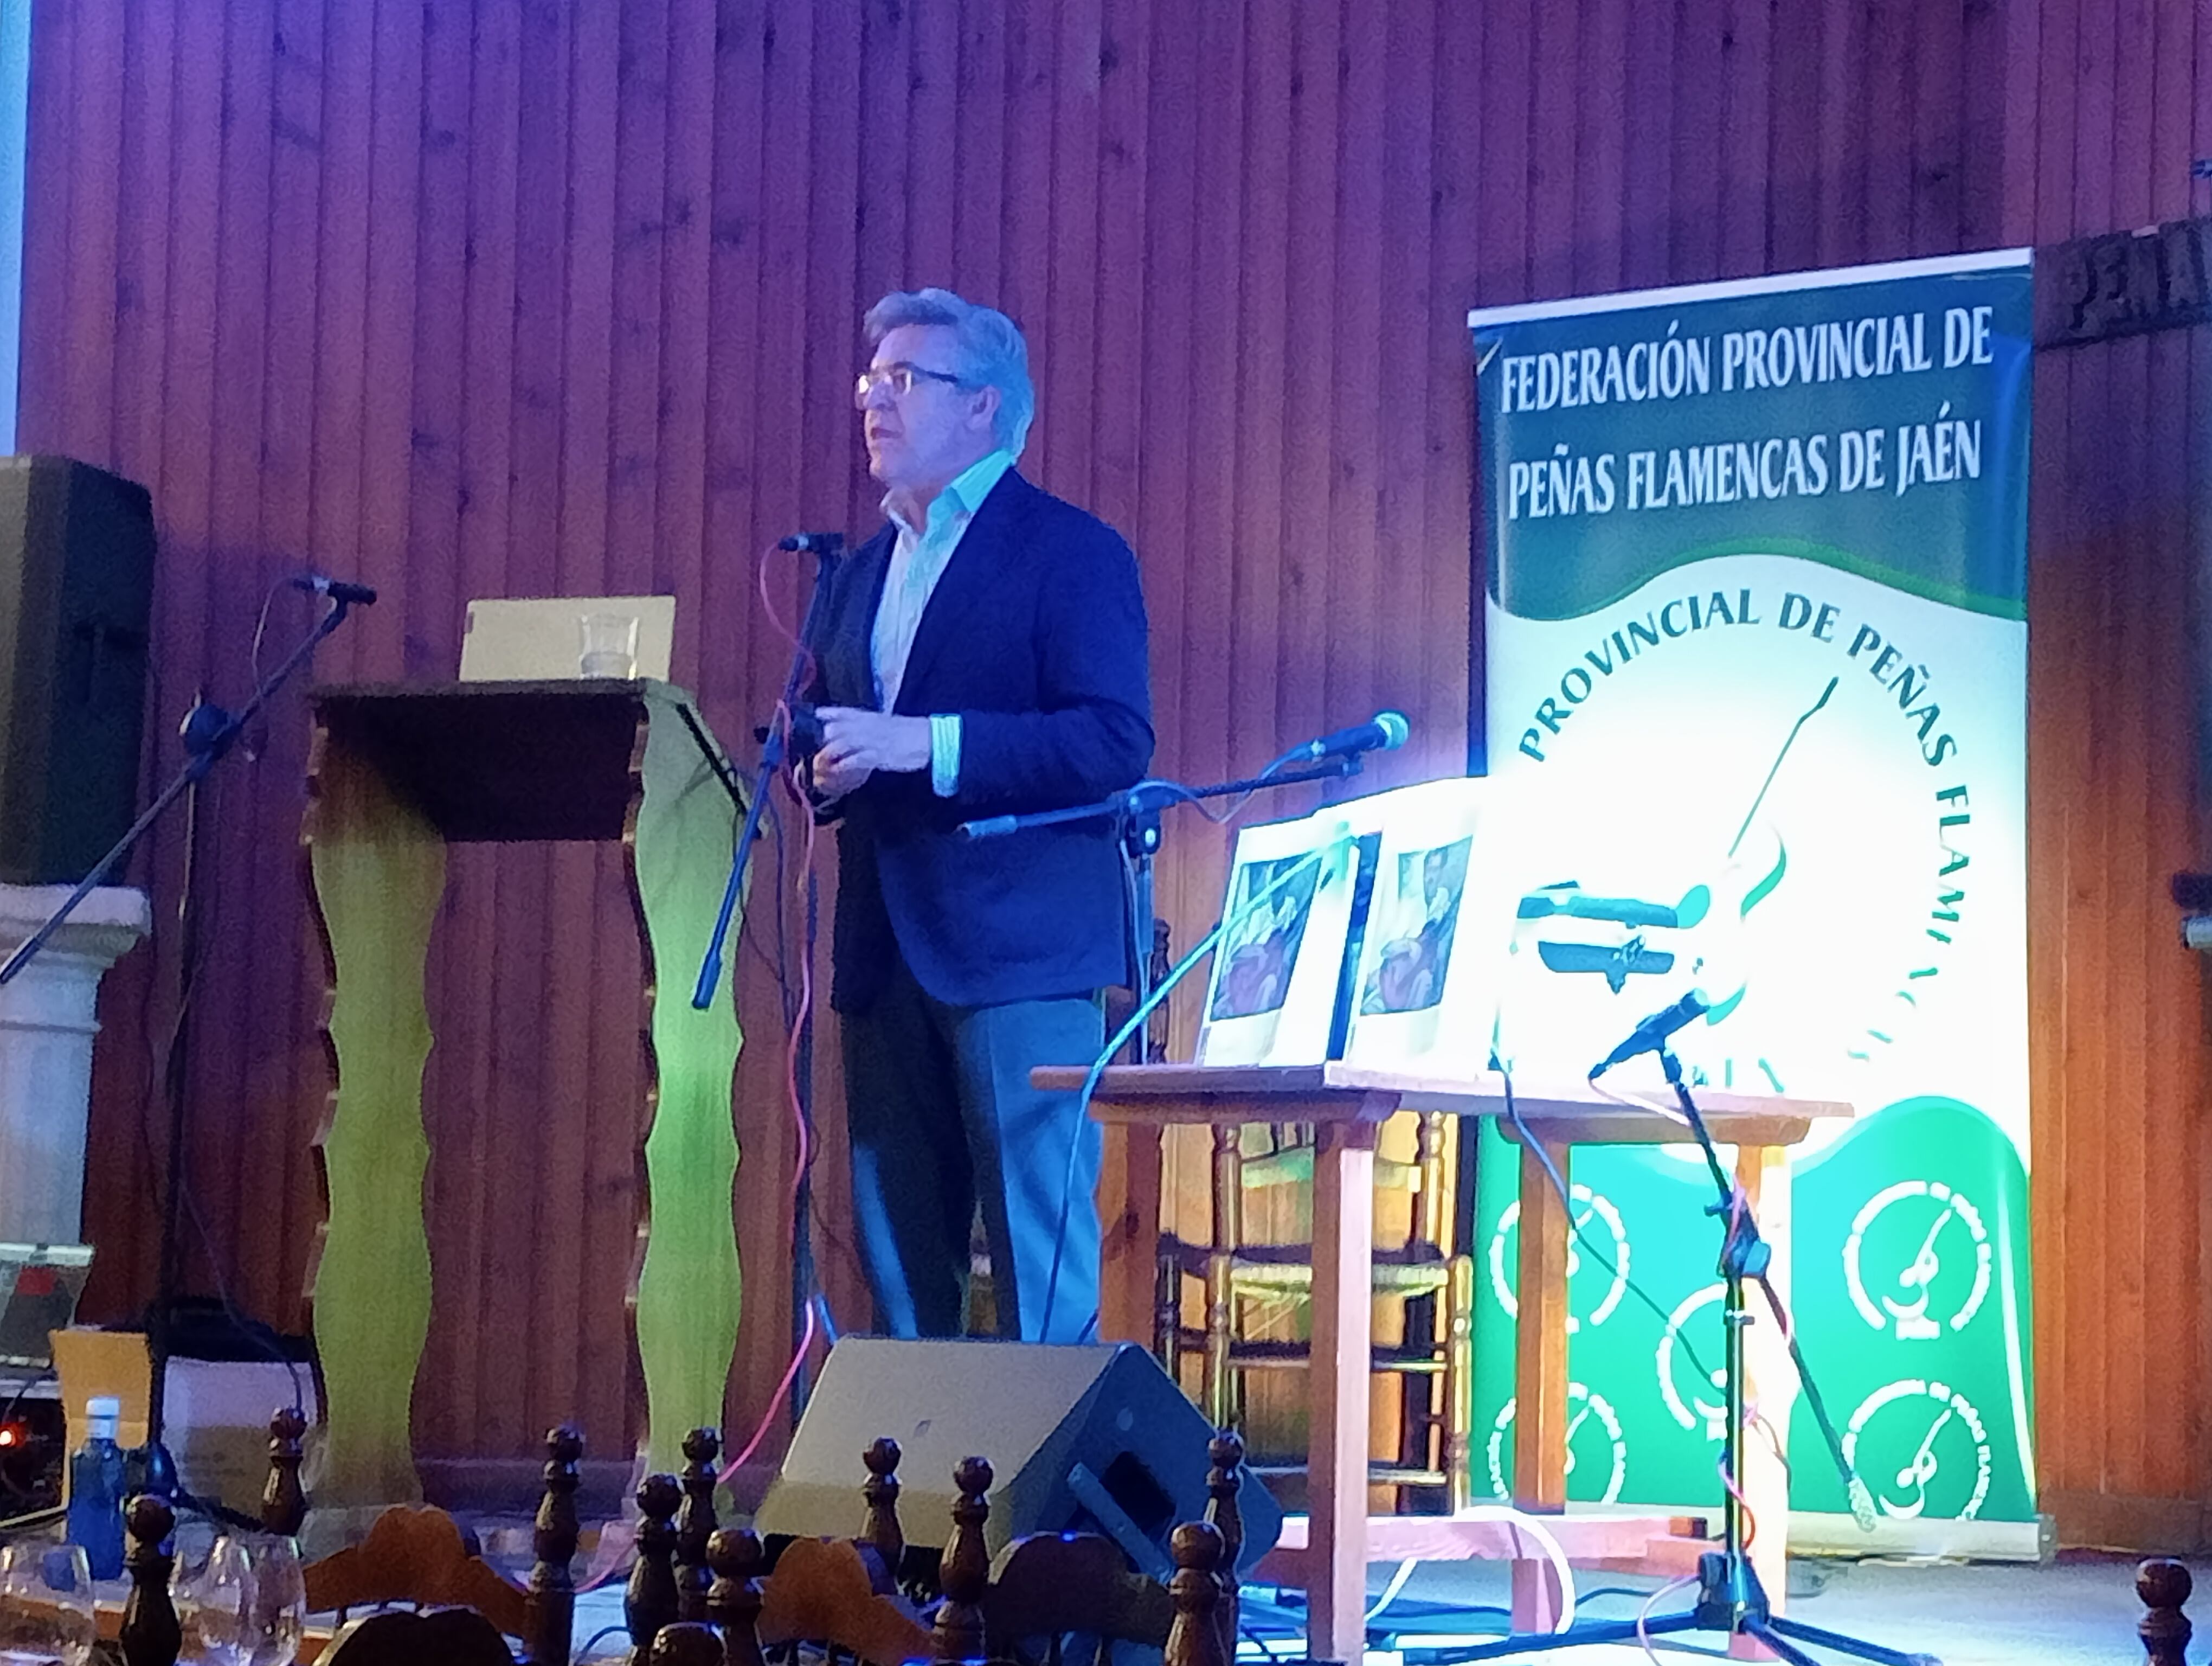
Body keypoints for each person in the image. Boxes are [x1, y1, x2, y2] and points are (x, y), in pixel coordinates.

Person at [801, 287, 1153, 1343]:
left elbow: (1112, 742)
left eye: (907, 380)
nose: (876, 401)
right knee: (903, 1276)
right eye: (872, 380)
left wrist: (928, 743)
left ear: (985, 411)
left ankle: (1048, 1511)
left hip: (1021, 956)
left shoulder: (1070, 551)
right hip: (882, 952)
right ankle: (918, 1503)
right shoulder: (855, 571)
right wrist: (808, 761)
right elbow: (821, 728)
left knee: (1040, 1272)